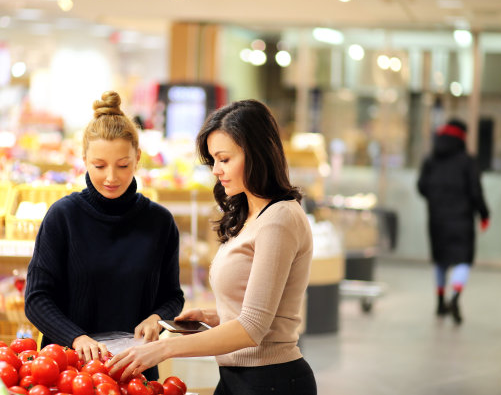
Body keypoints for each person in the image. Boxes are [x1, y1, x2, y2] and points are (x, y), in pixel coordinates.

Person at [107, 99, 317, 394]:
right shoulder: (251, 214)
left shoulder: (279, 219)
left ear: (257, 153)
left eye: (225, 159)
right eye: (213, 161)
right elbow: (266, 310)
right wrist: (214, 316)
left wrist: (165, 350)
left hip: (271, 381)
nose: (216, 170)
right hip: (239, 377)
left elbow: (253, 327)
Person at [24, 91, 184, 380]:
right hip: (69, 371)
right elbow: (37, 299)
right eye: (99, 166)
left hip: (135, 371)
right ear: (84, 159)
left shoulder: (160, 222)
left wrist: (157, 318)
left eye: (122, 165)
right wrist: (76, 338)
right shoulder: (62, 217)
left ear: (137, 158)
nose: (111, 177)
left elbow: (172, 296)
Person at [417, 118, 490, 325]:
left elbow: (421, 186)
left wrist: (436, 199)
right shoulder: (467, 161)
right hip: (462, 219)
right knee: (463, 260)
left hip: (437, 218)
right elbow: (476, 192)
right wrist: (484, 215)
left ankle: (440, 301)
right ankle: (455, 296)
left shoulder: (431, 159)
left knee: (440, 260)